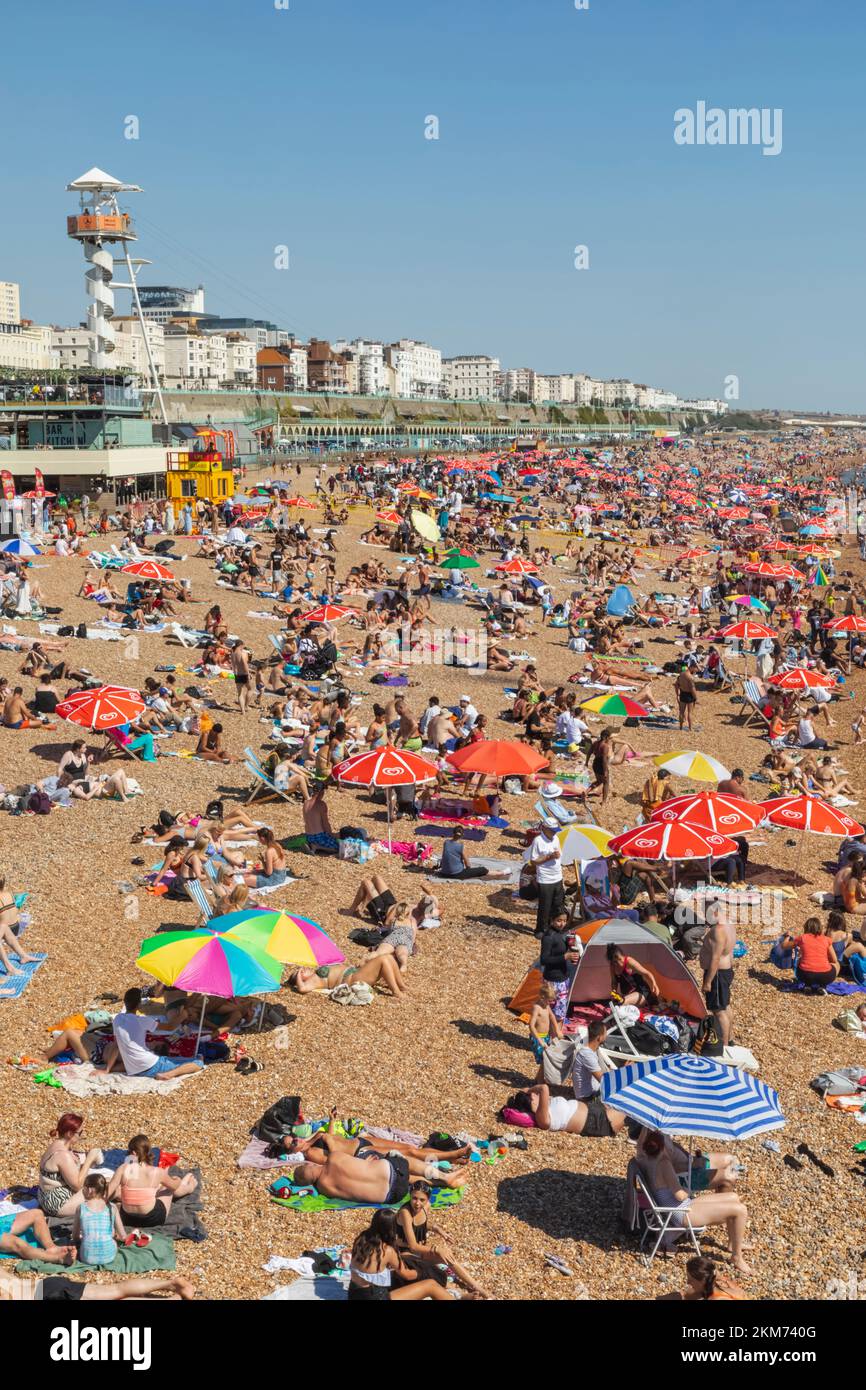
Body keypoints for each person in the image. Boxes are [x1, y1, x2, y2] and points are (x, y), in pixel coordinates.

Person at [638, 1131, 753, 1274]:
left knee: (733, 1197)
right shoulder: (664, 1164)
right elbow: (680, 1195)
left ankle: (733, 1243)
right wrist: (687, 1187)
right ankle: (736, 1257)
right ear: (663, 1148)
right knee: (740, 1210)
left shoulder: (644, 1158)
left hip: (675, 1207)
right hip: (681, 1213)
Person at [397, 1180, 490, 1297]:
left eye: (422, 1200)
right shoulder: (405, 1213)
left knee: (448, 1257)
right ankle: (460, 1294)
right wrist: (436, 1249)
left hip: (418, 1250)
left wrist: (436, 1228)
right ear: (410, 1196)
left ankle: (478, 1288)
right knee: (429, 1270)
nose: (417, 1203)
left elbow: (420, 1223)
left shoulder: (426, 1207)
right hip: (402, 1252)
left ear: (428, 1199)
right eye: (414, 1198)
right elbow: (413, 1245)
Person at [347, 1211, 462, 1301]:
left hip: (354, 1294)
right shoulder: (387, 1251)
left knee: (393, 1277)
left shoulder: (361, 1239)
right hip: (375, 1297)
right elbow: (408, 1275)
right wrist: (422, 1271)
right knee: (430, 1285)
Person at [98, 988, 205, 1080]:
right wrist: (183, 1015)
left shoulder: (117, 1019)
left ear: (125, 1003)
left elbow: (117, 1045)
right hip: (148, 1065)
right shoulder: (142, 1020)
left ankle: (166, 1071)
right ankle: (168, 1075)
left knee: (169, 1059)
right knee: (198, 1062)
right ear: (139, 1004)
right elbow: (170, 1027)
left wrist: (107, 1070)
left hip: (133, 1068)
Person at [107, 1134, 198, 1230]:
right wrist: (177, 1179)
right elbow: (174, 1187)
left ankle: (181, 1186)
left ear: (133, 1153)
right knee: (166, 1188)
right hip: (152, 1219)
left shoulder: (122, 1169)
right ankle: (188, 1188)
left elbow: (108, 1192)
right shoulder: (156, 1172)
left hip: (127, 1219)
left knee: (124, 1193)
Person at [505, 1077, 625, 1139]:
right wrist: (531, 1091)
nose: (536, 1094)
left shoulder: (545, 1105)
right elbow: (544, 1088)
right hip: (597, 1122)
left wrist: (528, 1092)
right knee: (627, 1103)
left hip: (594, 1108)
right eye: (534, 1095)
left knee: (622, 1090)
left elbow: (524, 1090)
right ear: (531, 1100)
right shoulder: (542, 1118)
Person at [37, 1114, 103, 1218]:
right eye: (80, 1133)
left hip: (45, 1197)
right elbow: (77, 1186)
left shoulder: (56, 1145)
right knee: (104, 1188)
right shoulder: (63, 1155)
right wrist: (89, 1160)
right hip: (58, 1204)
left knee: (105, 1181)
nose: (81, 1136)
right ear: (69, 1134)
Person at [699, 900, 736, 1046]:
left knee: (718, 1010)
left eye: (707, 915)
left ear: (714, 912)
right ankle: (731, 1038)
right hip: (725, 972)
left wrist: (708, 982)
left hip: (717, 974)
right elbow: (729, 951)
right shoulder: (729, 925)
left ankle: (724, 1046)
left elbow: (715, 958)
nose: (706, 918)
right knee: (725, 1006)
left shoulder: (718, 931)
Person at [287, 955, 407, 999]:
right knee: (383, 960)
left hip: (355, 973)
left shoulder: (314, 974)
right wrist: (298, 976)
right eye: (301, 972)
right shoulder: (313, 981)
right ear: (301, 979)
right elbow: (302, 989)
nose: (304, 969)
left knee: (389, 958)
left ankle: (401, 986)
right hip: (352, 979)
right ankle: (396, 991)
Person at [72, 1174, 125, 1265]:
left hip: (86, 1257)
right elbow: (123, 1236)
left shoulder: (81, 1208)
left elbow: (75, 1237)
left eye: (83, 1188)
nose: (82, 1191)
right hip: (109, 1257)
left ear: (89, 1190)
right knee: (112, 1240)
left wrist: (83, 1238)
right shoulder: (112, 1207)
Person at [781, 916, 839, 992]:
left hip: (804, 975)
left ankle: (807, 985)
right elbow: (834, 959)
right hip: (825, 976)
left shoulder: (802, 938)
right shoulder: (826, 939)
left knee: (801, 960)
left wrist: (787, 936)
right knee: (837, 964)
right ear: (820, 928)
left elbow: (784, 946)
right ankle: (823, 986)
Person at [530, 815, 565, 934]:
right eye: (552, 830)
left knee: (558, 904)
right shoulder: (538, 841)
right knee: (545, 906)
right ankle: (541, 929)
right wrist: (549, 857)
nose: (554, 833)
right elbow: (534, 861)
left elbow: (559, 853)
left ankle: (555, 927)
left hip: (557, 876)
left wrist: (558, 856)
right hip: (545, 879)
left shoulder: (556, 838)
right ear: (544, 828)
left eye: (555, 831)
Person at [674, 665, 698, 731]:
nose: (695, 671)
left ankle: (681, 727)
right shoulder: (690, 677)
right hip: (689, 695)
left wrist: (677, 694)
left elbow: (676, 685)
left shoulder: (681, 674)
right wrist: (696, 698)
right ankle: (690, 728)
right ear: (692, 667)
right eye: (695, 669)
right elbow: (692, 689)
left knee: (681, 712)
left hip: (682, 693)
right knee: (690, 712)